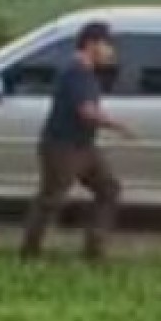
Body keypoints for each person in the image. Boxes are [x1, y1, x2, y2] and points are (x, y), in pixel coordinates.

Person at [18, 20, 135, 261]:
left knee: (108, 189)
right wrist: (117, 126)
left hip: (83, 146)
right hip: (63, 148)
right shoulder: (77, 72)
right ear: (91, 45)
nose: (110, 51)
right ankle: (29, 254)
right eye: (107, 45)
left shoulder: (87, 72)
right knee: (50, 200)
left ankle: (94, 250)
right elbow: (87, 112)